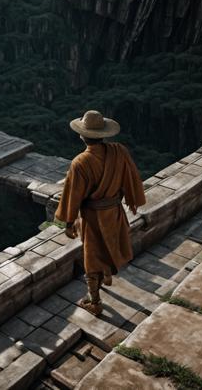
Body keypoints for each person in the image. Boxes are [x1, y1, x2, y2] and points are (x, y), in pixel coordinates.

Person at [55, 109, 146, 316]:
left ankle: (94, 301)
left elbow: (73, 196)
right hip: (114, 211)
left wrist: (69, 223)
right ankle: (107, 274)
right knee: (110, 243)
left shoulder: (80, 163)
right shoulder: (119, 151)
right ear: (104, 134)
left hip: (93, 218)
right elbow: (131, 177)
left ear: (81, 135)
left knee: (92, 257)